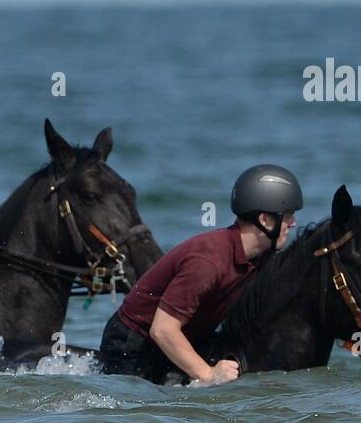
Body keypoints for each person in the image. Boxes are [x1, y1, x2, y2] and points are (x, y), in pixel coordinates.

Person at [99, 164, 303, 385]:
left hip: (189, 337)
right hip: (134, 343)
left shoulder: (260, 257)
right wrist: (209, 375)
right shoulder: (208, 261)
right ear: (265, 220)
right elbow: (162, 330)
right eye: (288, 216)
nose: (293, 224)